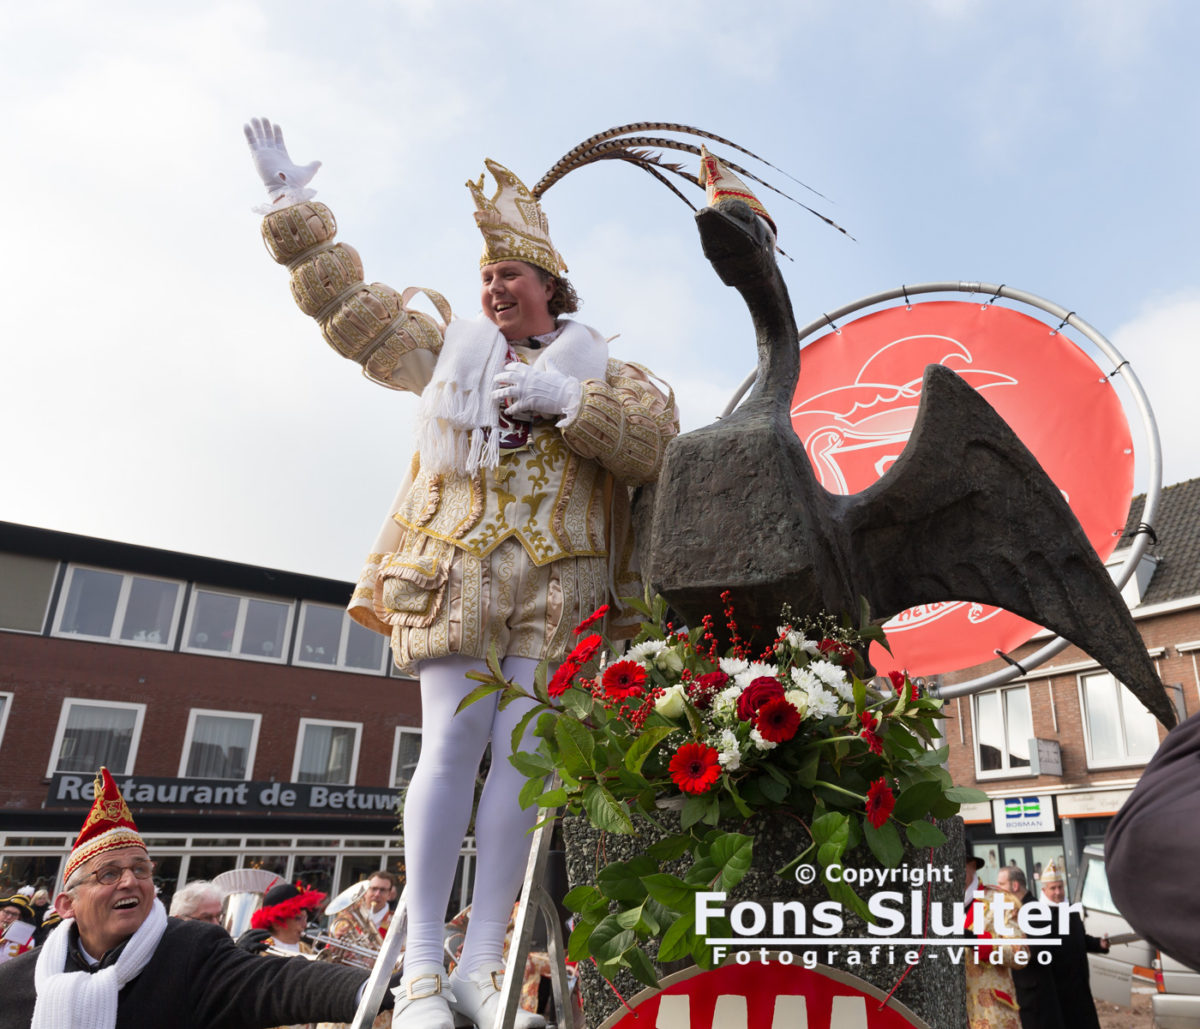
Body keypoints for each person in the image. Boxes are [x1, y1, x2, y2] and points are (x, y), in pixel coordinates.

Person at [244, 118, 678, 1029]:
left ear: (550, 284)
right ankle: (421, 975)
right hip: (455, 572)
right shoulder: (450, 355)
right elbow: (356, 316)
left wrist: (572, 402)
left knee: (523, 765)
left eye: (509, 273)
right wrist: (293, 208)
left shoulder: (615, 375)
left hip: (560, 588)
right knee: (448, 746)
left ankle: (483, 963)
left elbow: (655, 449)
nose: (493, 287)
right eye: (486, 276)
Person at [0, 768, 394, 1029]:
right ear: (66, 905)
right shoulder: (14, 981)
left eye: (141, 869)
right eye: (109, 874)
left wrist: (382, 990)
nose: (130, 882)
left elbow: (278, 982)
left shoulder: (188, 950)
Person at [1038, 861, 1108, 1029]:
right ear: (1044, 891)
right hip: (1058, 988)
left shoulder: (1071, 910)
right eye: (1053, 888)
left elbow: (1079, 939)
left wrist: (1099, 944)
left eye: (1060, 887)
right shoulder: (1039, 915)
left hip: (1079, 984)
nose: (1058, 892)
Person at [996, 866, 1063, 1029]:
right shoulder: (1017, 909)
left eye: (1001, 884)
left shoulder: (1034, 909)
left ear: (1015, 886)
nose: (998, 889)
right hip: (1026, 992)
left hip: (1035, 995)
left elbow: (1040, 950)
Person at [964, 855, 1023, 1029]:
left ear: (972, 866)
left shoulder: (1001, 900)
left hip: (992, 1014)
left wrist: (977, 942)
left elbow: (1020, 954)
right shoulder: (933, 902)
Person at [0, 896, 37, 964]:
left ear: (19, 918)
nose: (9, 917)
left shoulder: (27, 940)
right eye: (6, 912)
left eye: (14, 914)